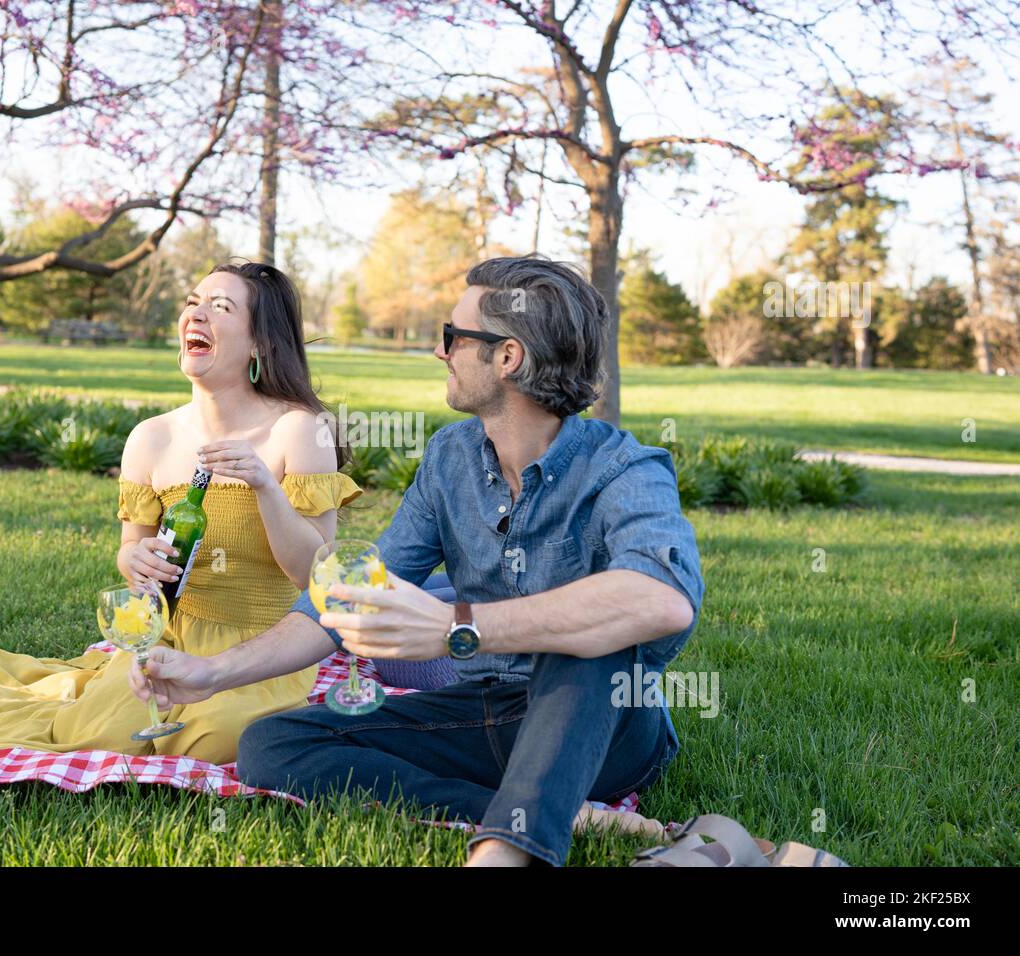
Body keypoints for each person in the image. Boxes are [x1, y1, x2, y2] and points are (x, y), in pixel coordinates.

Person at [130, 254, 705, 866]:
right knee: (274, 743)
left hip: (606, 727)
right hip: (485, 711)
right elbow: (345, 593)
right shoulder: (451, 457)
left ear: (507, 357)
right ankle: (550, 810)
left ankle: (505, 854)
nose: (440, 351)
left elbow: (662, 598)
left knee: (591, 635)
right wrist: (212, 672)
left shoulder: (623, 468)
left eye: (452, 337)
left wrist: (458, 625)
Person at [0, 260, 361, 768]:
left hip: (260, 653)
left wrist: (265, 486)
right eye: (193, 302)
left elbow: (316, 576)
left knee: (219, 734)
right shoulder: (153, 437)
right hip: (164, 641)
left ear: (261, 341)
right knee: (104, 731)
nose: (195, 314)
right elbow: (129, 552)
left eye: (220, 307)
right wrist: (136, 561)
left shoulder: (298, 429)